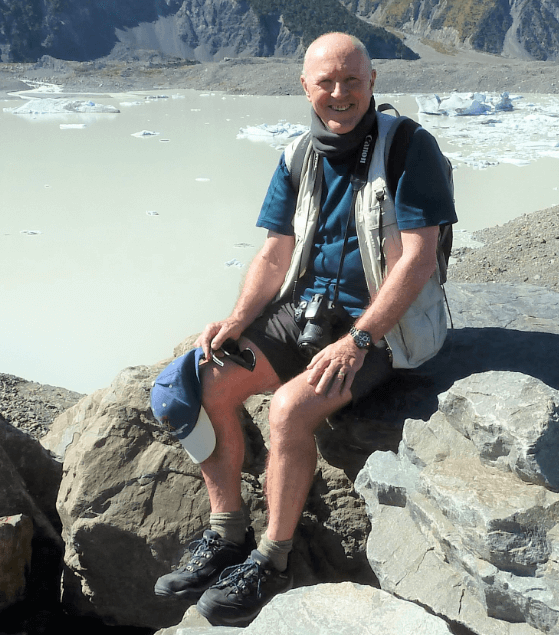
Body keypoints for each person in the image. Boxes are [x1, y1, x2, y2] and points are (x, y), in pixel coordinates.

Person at [151, 31, 457, 626]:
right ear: (306, 87)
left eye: (352, 81)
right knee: (200, 381)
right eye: (327, 82)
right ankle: (228, 531)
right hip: (307, 310)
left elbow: (418, 259)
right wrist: (238, 319)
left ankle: (273, 557)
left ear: (372, 83)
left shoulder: (409, 149)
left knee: (289, 410)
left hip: (382, 327)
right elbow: (274, 252)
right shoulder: (298, 155)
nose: (339, 94)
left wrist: (360, 339)